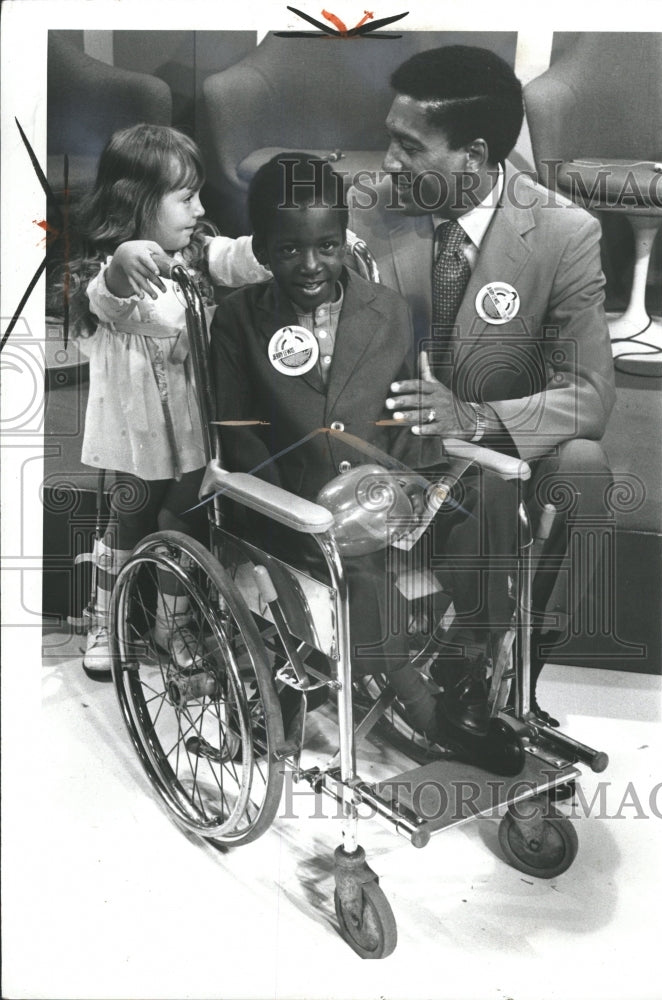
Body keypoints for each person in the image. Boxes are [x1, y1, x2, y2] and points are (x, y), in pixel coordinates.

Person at [349, 45, 616, 725]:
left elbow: (590, 393)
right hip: (390, 452)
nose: (388, 162)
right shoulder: (366, 209)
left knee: (583, 469)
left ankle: (520, 673)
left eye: (408, 146)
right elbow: (266, 262)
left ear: (473, 154)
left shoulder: (565, 231)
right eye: (388, 138)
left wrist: (471, 416)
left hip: (492, 446)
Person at [209, 152, 488, 755]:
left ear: (345, 240)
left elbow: (404, 417)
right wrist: (301, 510)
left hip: (383, 491)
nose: (311, 265)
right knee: (354, 568)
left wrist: (422, 490)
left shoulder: (390, 311)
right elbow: (240, 434)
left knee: (480, 522)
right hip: (290, 509)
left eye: (328, 246)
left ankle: (473, 676)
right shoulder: (236, 321)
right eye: (289, 250)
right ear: (261, 249)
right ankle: (428, 712)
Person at [64, 123, 269, 678]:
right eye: (186, 197)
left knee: (185, 516)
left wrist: (279, 239)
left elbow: (238, 257)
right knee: (129, 517)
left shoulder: (197, 252)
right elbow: (107, 303)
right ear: (136, 202)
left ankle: (171, 623)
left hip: (193, 421)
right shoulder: (102, 268)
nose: (200, 208)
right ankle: (105, 617)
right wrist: (120, 265)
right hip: (135, 430)